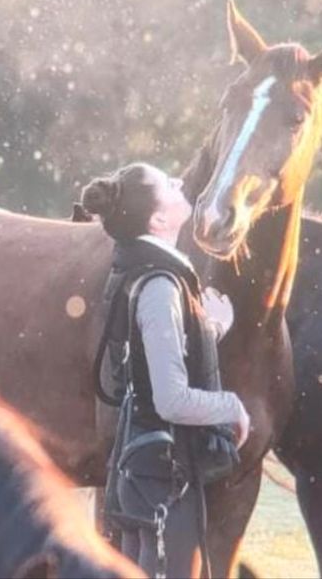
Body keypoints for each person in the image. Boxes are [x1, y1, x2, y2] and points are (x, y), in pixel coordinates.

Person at [81, 162, 251, 579]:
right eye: (167, 184)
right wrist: (231, 406)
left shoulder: (142, 271)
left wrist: (207, 330)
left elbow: (145, 356)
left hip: (145, 468)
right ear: (158, 219)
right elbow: (171, 399)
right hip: (163, 475)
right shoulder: (160, 287)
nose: (179, 182)